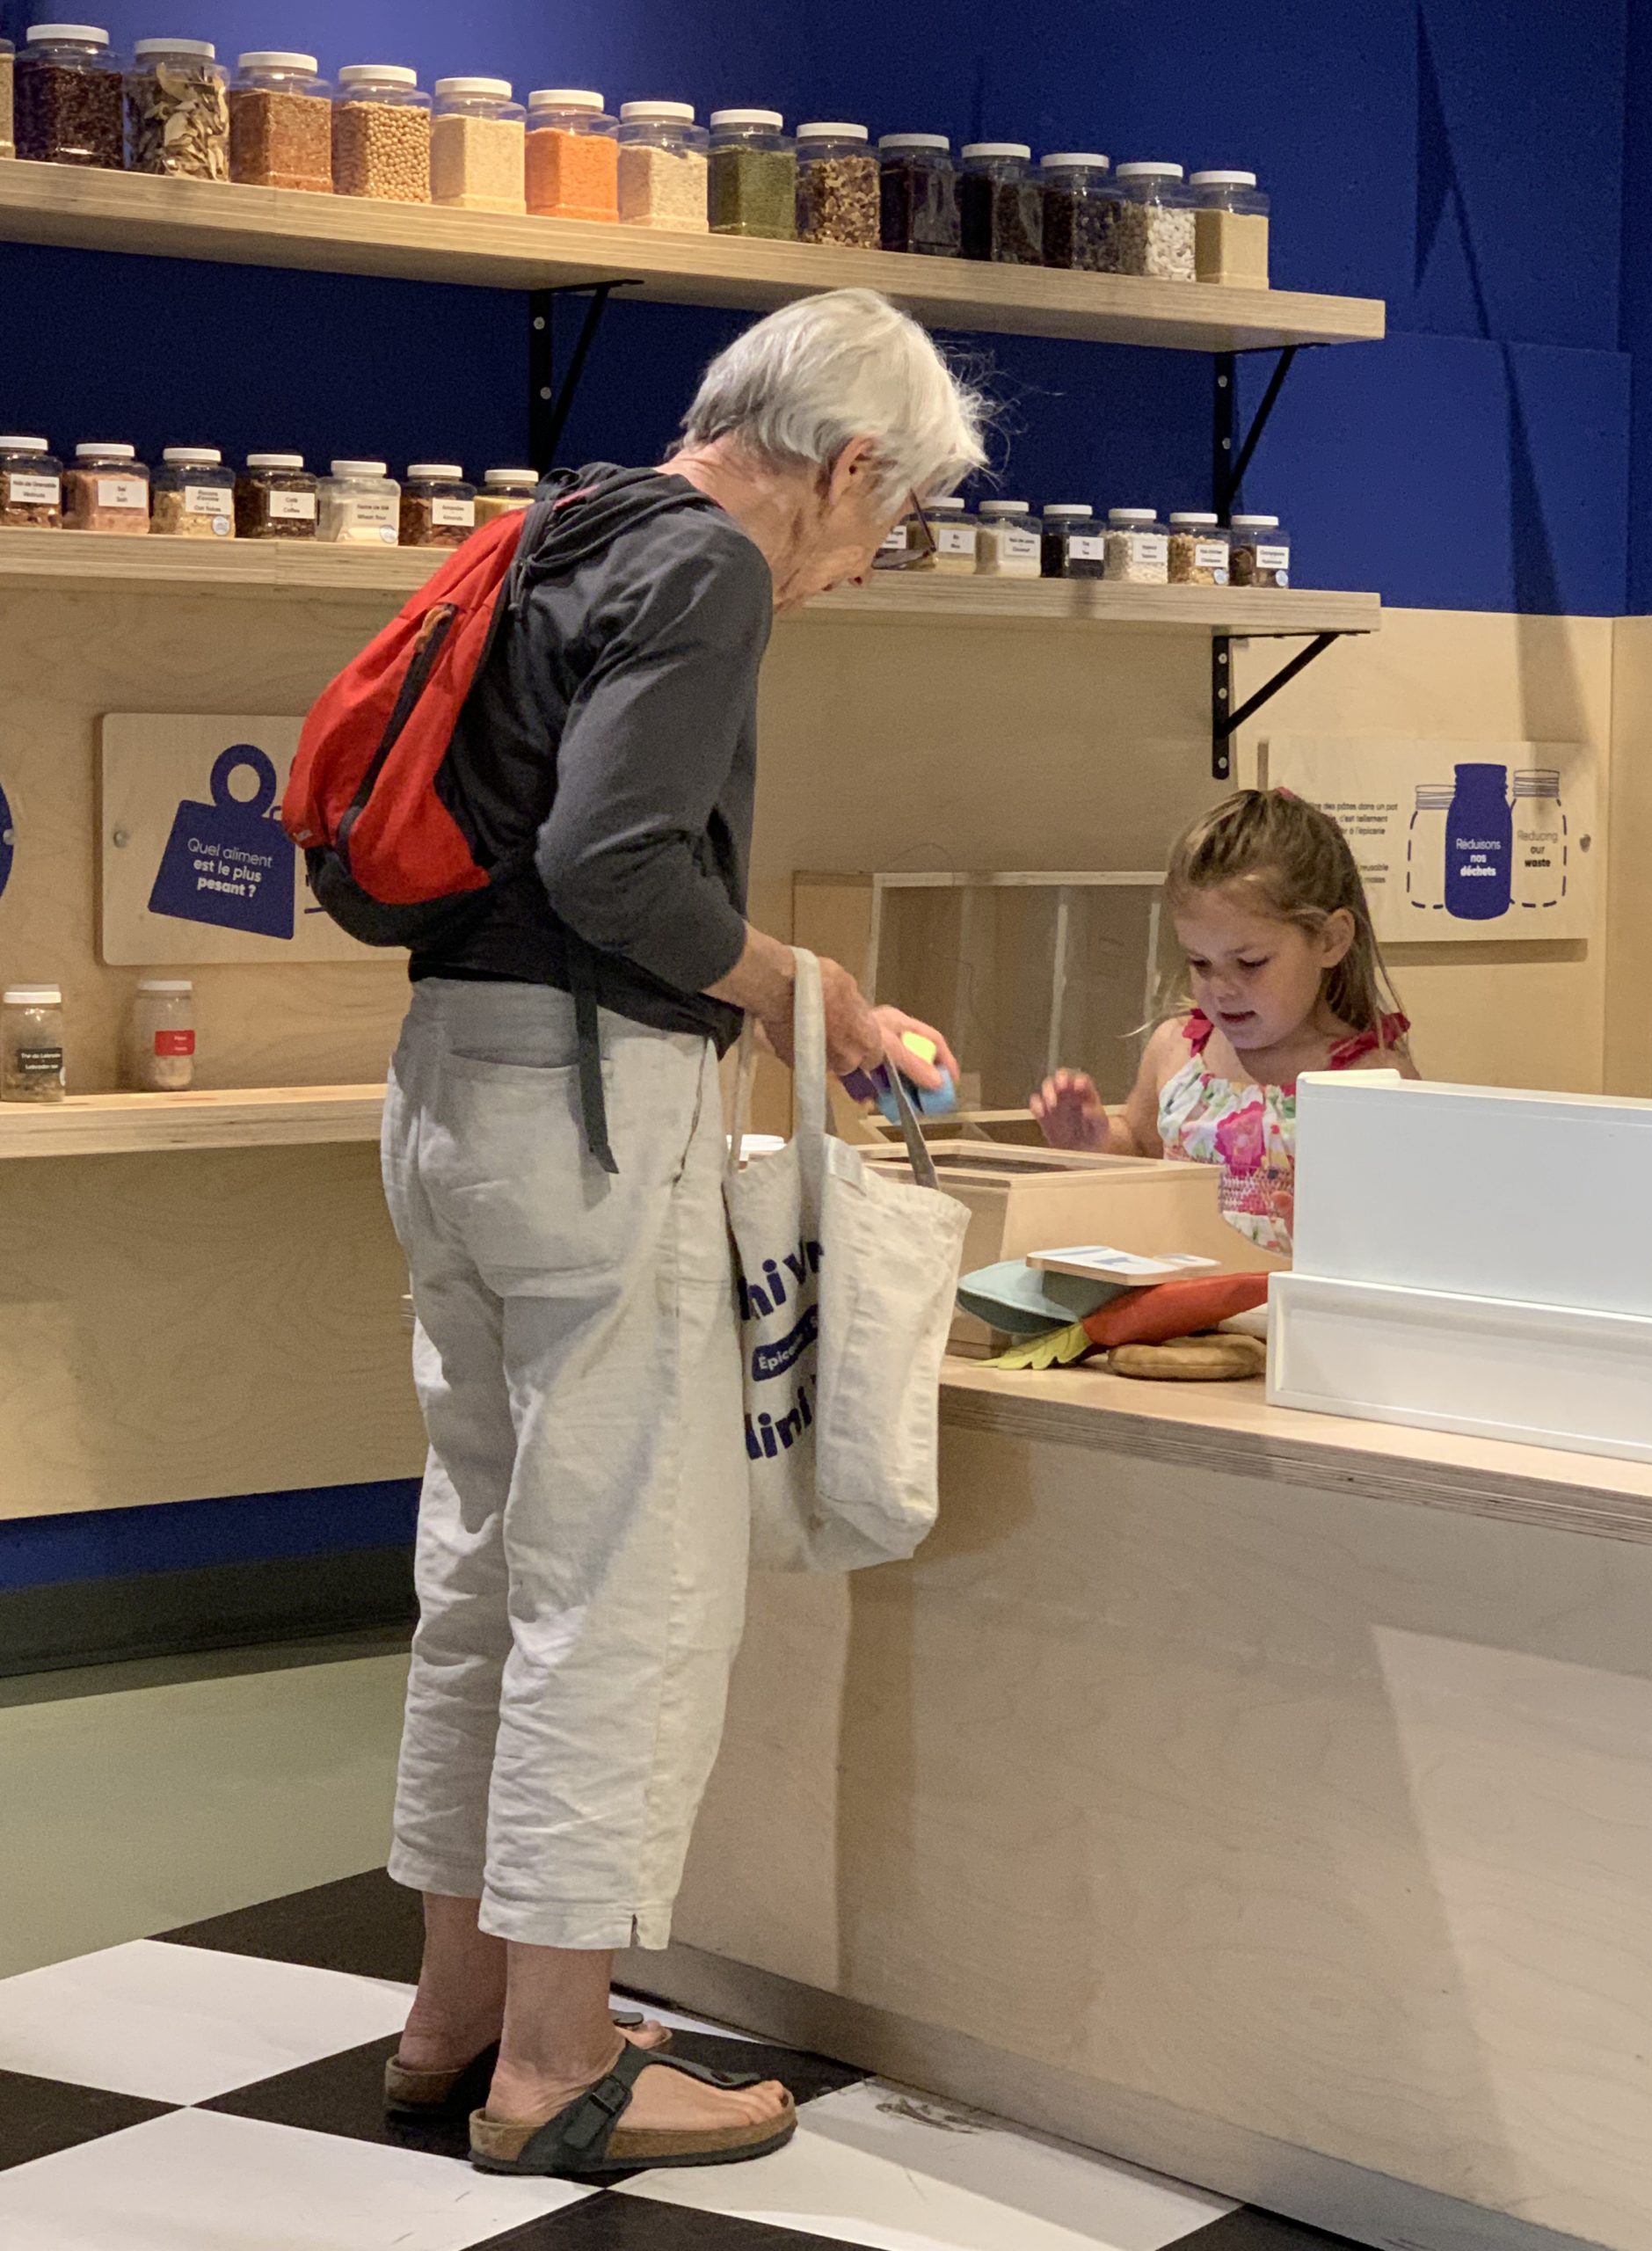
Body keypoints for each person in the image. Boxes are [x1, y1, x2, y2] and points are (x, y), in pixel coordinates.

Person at [379, 288, 987, 2178]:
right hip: (589, 1107)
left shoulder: (560, 526)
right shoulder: (712, 566)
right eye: (891, 522)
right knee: (621, 1584)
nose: (865, 567)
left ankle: (456, 2010)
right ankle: (558, 2064)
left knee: (485, 1563)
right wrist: (811, 990)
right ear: (849, 463)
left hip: (446, 1090)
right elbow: (613, 865)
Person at [1032, 789, 1415, 1253]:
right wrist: (1095, 1143)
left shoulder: (1373, 1079)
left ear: (1331, 940)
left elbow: (1408, 1230)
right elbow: (1141, 1145)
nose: (1221, 988)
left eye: (1251, 963)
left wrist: (1344, 1246)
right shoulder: (1176, 1049)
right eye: (1200, 963)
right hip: (1177, 1294)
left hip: (1284, 1298)